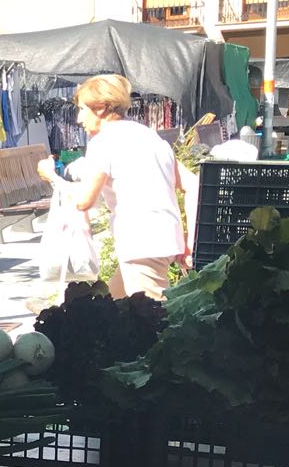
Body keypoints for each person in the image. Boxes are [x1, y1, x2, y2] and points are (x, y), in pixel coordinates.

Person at [38, 73, 196, 299]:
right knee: (111, 303)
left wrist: (52, 177)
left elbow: (83, 201)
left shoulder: (103, 142)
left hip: (140, 241)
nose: (78, 119)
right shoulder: (149, 137)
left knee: (152, 315)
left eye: (82, 109)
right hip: (160, 239)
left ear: (101, 108)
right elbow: (193, 185)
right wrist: (190, 241)